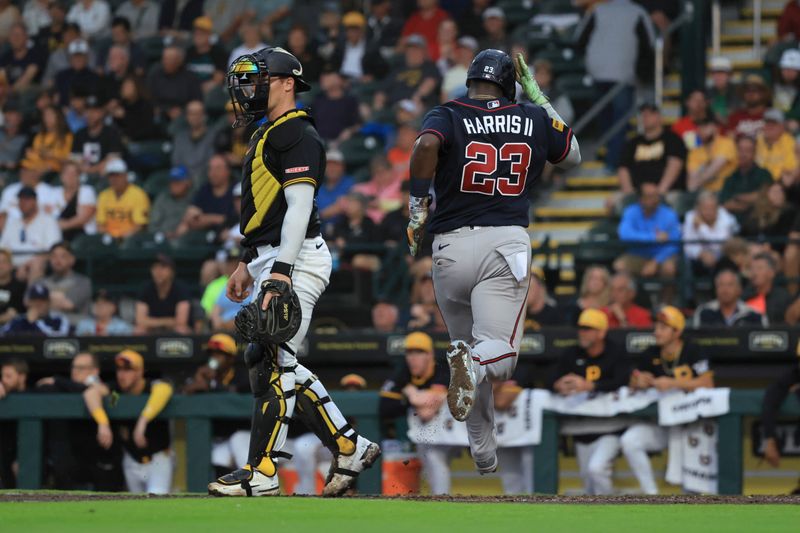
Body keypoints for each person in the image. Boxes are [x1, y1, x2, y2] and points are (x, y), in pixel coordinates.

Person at [209, 47, 381, 497]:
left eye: (257, 79)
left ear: (287, 82)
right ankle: (349, 445)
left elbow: (299, 206)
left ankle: (262, 471)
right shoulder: (269, 132)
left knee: (268, 359)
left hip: (297, 256)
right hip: (273, 254)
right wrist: (248, 262)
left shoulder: (296, 132)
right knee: (270, 359)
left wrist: (280, 270)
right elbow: (269, 209)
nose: (248, 89)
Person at [406, 49, 581, 476]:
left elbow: (426, 144)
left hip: (449, 247)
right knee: (495, 356)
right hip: (505, 243)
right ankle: (472, 366)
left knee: (470, 351)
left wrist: (416, 204)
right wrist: (539, 96)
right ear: (511, 85)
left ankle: (483, 452)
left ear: (471, 80)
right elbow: (572, 153)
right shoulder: (531, 115)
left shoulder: (448, 111)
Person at [624, 306, 714, 495]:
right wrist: (639, 380)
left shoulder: (693, 349)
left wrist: (673, 383)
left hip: (691, 426)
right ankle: (651, 495)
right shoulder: (650, 353)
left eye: (663, 328)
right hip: (664, 424)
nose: (657, 331)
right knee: (630, 441)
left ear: (677, 331)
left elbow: (708, 383)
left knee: (691, 487)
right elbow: (633, 380)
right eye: (656, 327)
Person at [550, 309, 629, 495]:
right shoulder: (572, 353)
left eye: (588, 329)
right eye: (581, 328)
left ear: (601, 332)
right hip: (581, 431)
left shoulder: (615, 352)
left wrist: (591, 385)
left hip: (610, 428)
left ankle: (612, 511)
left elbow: (622, 381)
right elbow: (551, 378)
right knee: (589, 484)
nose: (582, 332)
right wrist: (558, 384)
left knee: (597, 469)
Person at [575, 0, 654, 170]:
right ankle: (612, 161)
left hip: (597, 73)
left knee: (606, 117)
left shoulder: (597, 10)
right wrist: (643, 74)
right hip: (623, 73)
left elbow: (579, 40)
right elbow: (649, 44)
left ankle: (607, 156)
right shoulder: (638, 11)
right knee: (619, 119)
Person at [83, 350, 174, 494]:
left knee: (158, 502)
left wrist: (143, 421)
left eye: (128, 370)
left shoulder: (150, 387)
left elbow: (165, 388)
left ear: (140, 372)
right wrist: (102, 422)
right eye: (119, 370)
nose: (122, 374)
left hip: (157, 459)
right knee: (135, 505)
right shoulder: (116, 394)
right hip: (131, 458)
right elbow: (91, 393)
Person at [36, 352, 123, 491]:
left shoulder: (112, 388)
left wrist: (58, 380)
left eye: (81, 368)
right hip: (72, 461)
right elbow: (41, 385)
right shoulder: (63, 387)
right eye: (74, 367)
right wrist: (61, 382)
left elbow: (112, 396)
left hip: (103, 458)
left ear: (95, 371)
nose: (75, 372)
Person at [379, 331, 451, 495]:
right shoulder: (403, 370)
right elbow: (384, 406)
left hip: (461, 426)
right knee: (432, 455)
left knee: (434, 455)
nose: (413, 358)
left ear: (430, 354)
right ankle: (441, 499)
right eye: (410, 353)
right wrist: (418, 400)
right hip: (433, 431)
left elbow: (428, 411)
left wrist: (411, 394)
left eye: (419, 352)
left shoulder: (441, 368)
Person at [183, 333, 251, 478]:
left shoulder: (242, 374)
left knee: (240, 451)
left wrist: (212, 384)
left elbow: (235, 392)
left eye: (220, 354)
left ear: (231, 358)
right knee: (217, 460)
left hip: (244, 435)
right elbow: (184, 391)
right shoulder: (203, 373)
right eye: (212, 354)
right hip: (220, 438)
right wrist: (196, 384)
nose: (214, 358)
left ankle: (251, 488)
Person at [617, 103, 686, 201]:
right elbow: (623, 168)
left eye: (649, 114)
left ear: (659, 117)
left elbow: (675, 165)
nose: (645, 117)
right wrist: (629, 192)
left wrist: (660, 191)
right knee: (612, 202)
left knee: (673, 200)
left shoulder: (672, 139)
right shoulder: (633, 142)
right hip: (637, 193)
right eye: (643, 115)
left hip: (666, 191)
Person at [615, 182, 681, 281]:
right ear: (641, 200)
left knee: (669, 269)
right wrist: (654, 237)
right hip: (637, 254)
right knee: (620, 266)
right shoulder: (631, 212)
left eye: (656, 195)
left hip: (662, 255)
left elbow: (675, 243)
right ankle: (633, 295)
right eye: (650, 196)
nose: (655, 200)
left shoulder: (669, 214)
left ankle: (667, 297)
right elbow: (624, 234)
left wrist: (656, 261)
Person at [0, 186, 62, 275]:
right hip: (11, 267)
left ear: (35, 201)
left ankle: (32, 289)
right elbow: (2, 249)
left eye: (27, 199)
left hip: (36, 265)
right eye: (20, 200)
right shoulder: (12, 223)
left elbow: (53, 250)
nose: (23, 203)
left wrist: (26, 265)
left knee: (37, 263)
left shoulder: (48, 221)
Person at [682, 191, 739, 275]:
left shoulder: (726, 218)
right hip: (697, 260)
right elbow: (686, 245)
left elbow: (718, 245)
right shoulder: (690, 217)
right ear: (697, 208)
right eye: (705, 208)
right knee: (684, 263)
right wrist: (701, 254)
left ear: (718, 208)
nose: (708, 212)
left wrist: (702, 228)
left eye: (712, 208)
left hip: (722, 257)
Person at [719, 135, 773, 221]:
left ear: (754, 153)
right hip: (732, 224)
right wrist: (750, 201)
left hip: (758, 222)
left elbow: (765, 197)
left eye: (747, 150)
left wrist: (737, 197)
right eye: (740, 150)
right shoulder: (730, 177)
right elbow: (724, 204)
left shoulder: (764, 174)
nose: (743, 154)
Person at [70, 94, 125, 178]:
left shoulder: (111, 133)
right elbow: (74, 159)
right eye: (87, 110)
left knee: (110, 168)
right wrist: (85, 169)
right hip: (83, 174)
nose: (90, 114)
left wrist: (92, 170)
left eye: (94, 111)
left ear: (102, 113)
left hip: (104, 175)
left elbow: (113, 158)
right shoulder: (80, 134)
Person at [134, 254, 191, 335]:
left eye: (163, 267)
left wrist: (151, 321)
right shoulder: (145, 288)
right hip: (152, 329)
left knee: (181, 329)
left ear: (172, 271)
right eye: (155, 267)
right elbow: (140, 320)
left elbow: (181, 321)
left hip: (173, 329)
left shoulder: (181, 288)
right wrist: (167, 321)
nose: (158, 271)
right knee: (139, 330)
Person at [95, 158, 150, 239]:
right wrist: (108, 239)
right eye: (111, 176)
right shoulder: (103, 195)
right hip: (108, 240)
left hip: (130, 241)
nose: (114, 179)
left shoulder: (138, 194)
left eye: (117, 175)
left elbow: (140, 225)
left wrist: (121, 238)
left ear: (125, 176)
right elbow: (100, 224)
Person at [171, 100, 222, 185]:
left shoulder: (214, 135)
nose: (194, 117)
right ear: (187, 116)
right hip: (183, 181)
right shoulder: (180, 137)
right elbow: (176, 162)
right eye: (191, 113)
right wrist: (184, 178)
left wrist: (194, 179)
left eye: (198, 113)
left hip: (206, 181)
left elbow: (211, 162)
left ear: (205, 115)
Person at [146, 46, 202, 121]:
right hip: (159, 112)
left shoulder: (190, 77)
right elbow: (148, 96)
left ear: (180, 61)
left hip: (184, 115)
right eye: (165, 59)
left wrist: (183, 111)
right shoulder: (155, 74)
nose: (167, 62)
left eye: (171, 59)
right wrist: (163, 109)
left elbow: (196, 99)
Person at [694, 269, 768, 327]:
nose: (725, 289)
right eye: (721, 285)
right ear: (715, 289)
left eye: (730, 285)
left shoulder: (754, 315)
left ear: (739, 289)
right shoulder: (704, 312)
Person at [40, 241, 92, 324]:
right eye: (54, 256)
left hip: (74, 329)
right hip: (45, 328)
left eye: (63, 256)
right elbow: (30, 303)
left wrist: (44, 301)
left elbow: (69, 305)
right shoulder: (41, 282)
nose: (57, 260)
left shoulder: (83, 282)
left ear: (72, 259)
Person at [686, 115, 737, 192]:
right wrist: (692, 190)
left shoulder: (726, 143)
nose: (700, 130)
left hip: (725, 191)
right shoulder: (695, 151)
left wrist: (696, 182)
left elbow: (713, 169)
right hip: (702, 192)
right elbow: (691, 178)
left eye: (704, 126)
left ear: (715, 127)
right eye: (698, 127)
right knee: (673, 197)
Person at [1, 282, 69, 336]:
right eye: (34, 301)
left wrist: (34, 322)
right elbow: (3, 336)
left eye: (42, 301)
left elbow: (60, 338)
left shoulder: (58, 320)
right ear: (28, 303)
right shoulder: (18, 320)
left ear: (49, 303)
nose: (38, 304)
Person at [52, 161, 96, 241]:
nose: (70, 177)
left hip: (84, 238)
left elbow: (83, 218)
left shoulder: (87, 191)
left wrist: (64, 225)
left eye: (74, 173)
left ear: (79, 176)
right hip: (58, 238)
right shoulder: (54, 193)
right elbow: (49, 216)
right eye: (67, 173)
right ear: (61, 176)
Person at [744, 252, 793, 325]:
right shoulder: (745, 296)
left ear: (771, 273)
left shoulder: (783, 297)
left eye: (759, 268)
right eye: (752, 269)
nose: (754, 273)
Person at [0, 357, 27, 488]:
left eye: (8, 376)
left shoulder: (33, 393)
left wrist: (21, 458)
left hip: (28, 458)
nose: (4, 380)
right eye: (2, 376)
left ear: (21, 377)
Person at [185, 16, 228, 94]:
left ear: (209, 35)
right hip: (189, 91)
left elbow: (218, 79)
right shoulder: (188, 52)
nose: (198, 36)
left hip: (209, 92)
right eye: (196, 33)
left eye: (202, 33)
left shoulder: (218, 52)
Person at [148, 166, 193, 238]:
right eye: (172, 182)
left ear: (188, 182)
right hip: (161, 238)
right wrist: (165, 234)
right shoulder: (163, 198)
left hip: (185, 240)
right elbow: (153, 226)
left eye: (178, 182)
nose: (173, 185)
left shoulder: (194, 199)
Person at [756, 109, 797, 180]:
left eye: (774, 123)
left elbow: (790, 170)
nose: (769, 126)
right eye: (767, 122)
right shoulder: (757, 140)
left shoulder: (790, 143)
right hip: (756, 184)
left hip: (779, 185)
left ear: (782, 127)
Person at [706, 56, 739, 126]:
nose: (718, 76)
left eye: (722, 73)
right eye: (715, 73)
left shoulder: (739, 93)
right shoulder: (706, 94)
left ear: (730, 75)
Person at [0, 248, 25, 325]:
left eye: (3, 262)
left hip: (14, 331)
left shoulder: (21, 287)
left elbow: (21, 312)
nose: (0, 266)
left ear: (11, 265)